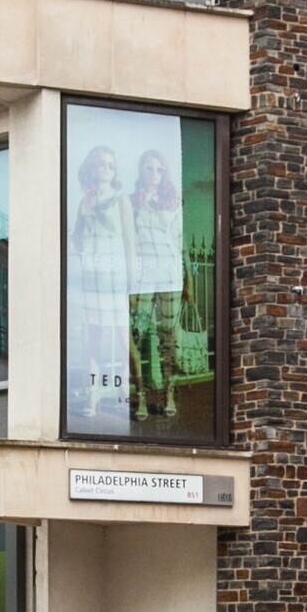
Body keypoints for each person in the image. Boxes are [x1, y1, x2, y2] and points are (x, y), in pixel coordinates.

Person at [69, 142, 134, 424]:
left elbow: (130, 239)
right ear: (92, 168)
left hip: (115, 275)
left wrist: (132, 276)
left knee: (123, 338)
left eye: (111, 164)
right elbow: (77, 238)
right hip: (93, 276)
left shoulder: (121, 199)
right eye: (101, 164)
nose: (106, 169)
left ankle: (124, 394)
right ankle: (93, 397)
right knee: (92, 339)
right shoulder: (84, 201)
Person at [128, 149, 183, 420]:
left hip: (170, 275)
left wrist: (189, 282)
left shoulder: (173, 202)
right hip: (143, 277)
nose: (154, 174)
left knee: (168, 338)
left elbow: (179, 243)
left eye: (159, 169)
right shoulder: (132, 202)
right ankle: (140, 395)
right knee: (136, 333)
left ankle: (168, 393)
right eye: (149, 169)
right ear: (142, 171)